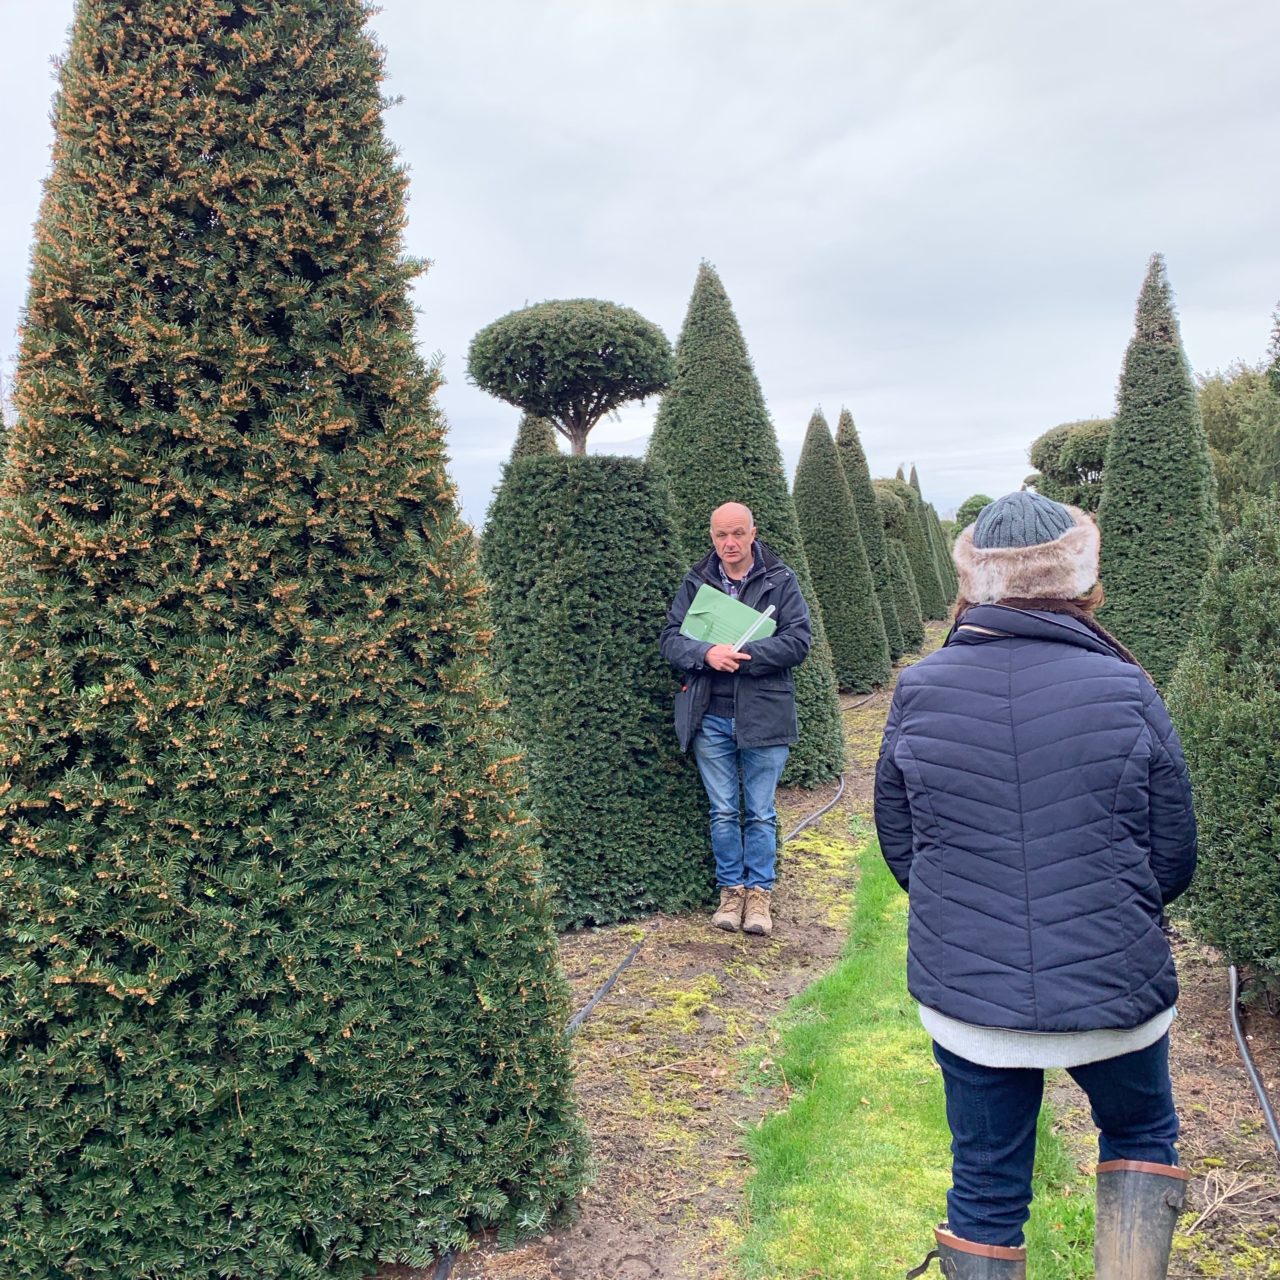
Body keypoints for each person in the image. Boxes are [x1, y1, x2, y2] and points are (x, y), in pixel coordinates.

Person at [875, 491, 1197, 1280]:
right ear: (1080, 576)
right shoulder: (1127, 687)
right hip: (1113, 989)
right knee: (1141, 1136)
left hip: (973, 999)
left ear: (974, 583)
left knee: (985, 1187)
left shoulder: (920, 688)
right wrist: (1110, 911)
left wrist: (966, 912)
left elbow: (903, 845)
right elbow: (1173, 855)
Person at [659, 502, 812, 938]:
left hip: (763, 714)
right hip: (710, 715)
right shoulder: (697, 580)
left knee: (760, 812)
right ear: (712, 536)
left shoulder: (780, 580)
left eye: (738, 534)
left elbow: (798, 643)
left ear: (752, 534)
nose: (729, 543)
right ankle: (731, 892)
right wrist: (706, 653)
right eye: (721, 535)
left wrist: (740, 657)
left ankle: (760, 896)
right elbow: (670, 640)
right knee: (723, 810)